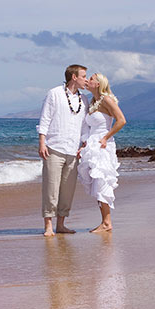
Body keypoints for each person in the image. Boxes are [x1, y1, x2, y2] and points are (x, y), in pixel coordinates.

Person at [37, 64, 89, 237]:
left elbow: (84, 127)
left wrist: (84, 144)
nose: (86, 80)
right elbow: (45, 119)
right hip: (54, 148)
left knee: (68, 190)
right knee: (51, 188)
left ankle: (61, 224)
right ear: (74, 77)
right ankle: (48, 226)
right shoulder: (54, 93)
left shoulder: (84, 100)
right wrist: (42, 143)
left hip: (73, 151)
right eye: (84, 76)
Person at [77, 73, 126, 233]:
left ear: (98, 84)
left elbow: (121, 120)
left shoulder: (106, 100)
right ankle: (105, 221)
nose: (88, 81)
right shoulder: (92, 101)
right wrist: (84, 145)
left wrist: (106, 137)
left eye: (91, 79)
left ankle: (107, 222)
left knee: (102, 180)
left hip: (103, 145)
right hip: (92, 145)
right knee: (95, 183)